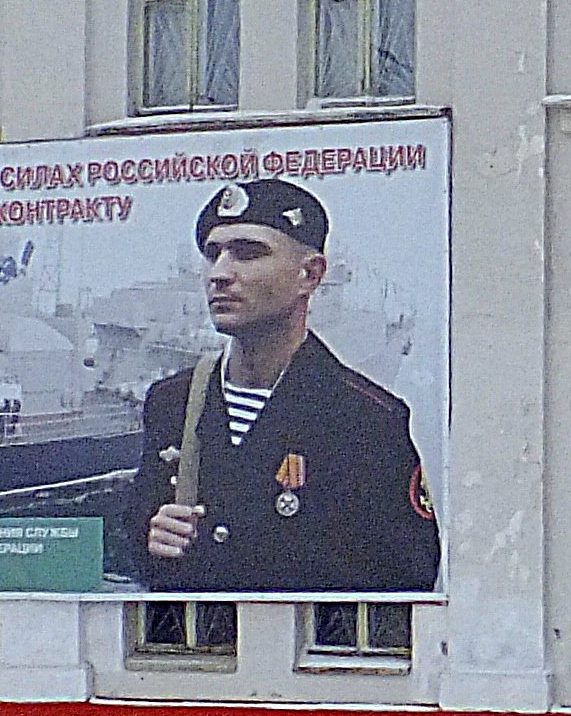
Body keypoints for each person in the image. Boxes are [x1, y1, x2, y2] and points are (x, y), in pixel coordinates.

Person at [117, 177, 438, 593]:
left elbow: (404, 579)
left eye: (248, 254)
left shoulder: (367, 420)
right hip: (192, 651)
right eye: (214, 254)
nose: (220, 274)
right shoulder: (173, 402)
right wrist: (152, 537)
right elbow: (139, 544)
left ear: (310, 274)